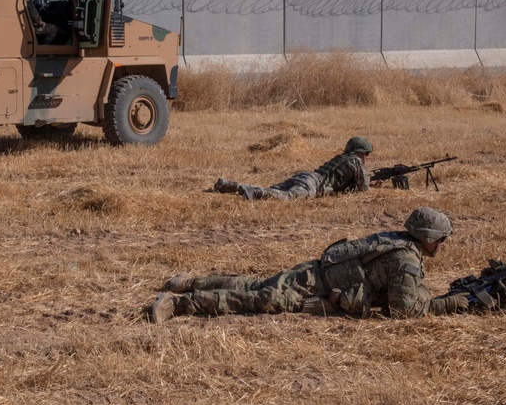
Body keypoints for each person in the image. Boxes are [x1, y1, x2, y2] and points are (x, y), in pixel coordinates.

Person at [149, 207, 470, 323]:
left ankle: (191, 281)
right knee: (260, 298)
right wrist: (447, 304)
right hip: (321, 290)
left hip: (317, 271)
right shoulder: (405, 260)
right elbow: (404, 313)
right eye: (441, 238)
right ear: (427, 238)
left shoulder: (399, 240)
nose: (444, 244)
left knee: (257, 285)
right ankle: (180, 305)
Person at [212, 136, 373, 201]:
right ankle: (251, 191)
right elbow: (363, 190)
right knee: (286, 197)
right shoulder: (356, 161)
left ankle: (231, 186)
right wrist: (370, 181)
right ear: (359, 152)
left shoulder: (342, 157)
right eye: (366, 154)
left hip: (305, 176)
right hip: (313, 185)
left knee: (272, 191)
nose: (366, 158)